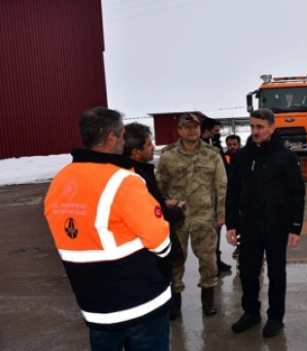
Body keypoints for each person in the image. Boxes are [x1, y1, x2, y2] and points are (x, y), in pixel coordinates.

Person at [44, 107, 172, 351]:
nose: (124, 140)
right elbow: (160, 241)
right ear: (112, 138)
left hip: (96, 308)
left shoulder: (61, 180)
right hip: (140, 304)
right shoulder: (123, 180)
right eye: (123, 135)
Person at [226, 108, 306, 338]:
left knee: (276, 274)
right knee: (248, 272)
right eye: (252, 126)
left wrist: (295, 227)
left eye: (260, 127)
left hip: (277, 226)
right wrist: (232, 223)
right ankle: (251, 312)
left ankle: (275, 317)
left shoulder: (286, 157)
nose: (255, 131)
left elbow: (297, 195)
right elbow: (232, 192)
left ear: (272, 127)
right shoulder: (241, 156)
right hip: (249, 226)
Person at [157, 113, 227, 318]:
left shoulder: (212, 154)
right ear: (179, 130)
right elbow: (159, 188)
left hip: (204, 218)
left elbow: (221, 186)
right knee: (175, 263)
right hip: (177, 219)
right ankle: (174, 304)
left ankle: (208, 301)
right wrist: (163, 212)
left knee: (208, 261)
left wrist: (221, 215)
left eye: (195, 127)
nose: (192, 130)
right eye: (187, 127)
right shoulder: (168, 155)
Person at [123, 123, 185, 284]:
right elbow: (147, 216)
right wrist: (176, 212)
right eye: (149, 144)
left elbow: (146, 202)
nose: (153, 147)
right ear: (136, 152)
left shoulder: (138, 171)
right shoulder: (134, 177)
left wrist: (163, 202)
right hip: (149, 250)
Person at [200, 117, 231, 273]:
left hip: (219, 194)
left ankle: (217, 261)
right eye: (216, 131)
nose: (219, 134)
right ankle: (210, 265)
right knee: (208, 234)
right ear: (207, 131)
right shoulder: (199, 148)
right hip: (206, 198)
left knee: (216, 231)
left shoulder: (216, 145)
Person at [224, 134, 242, 258]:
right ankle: (239, 246)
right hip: (230, 195)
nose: (232, 147)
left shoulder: (245, 157)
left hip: (243, 194)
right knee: (235, 223)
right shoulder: (223, 158)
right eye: (230, 145)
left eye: (234, 144)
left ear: (239, 144)